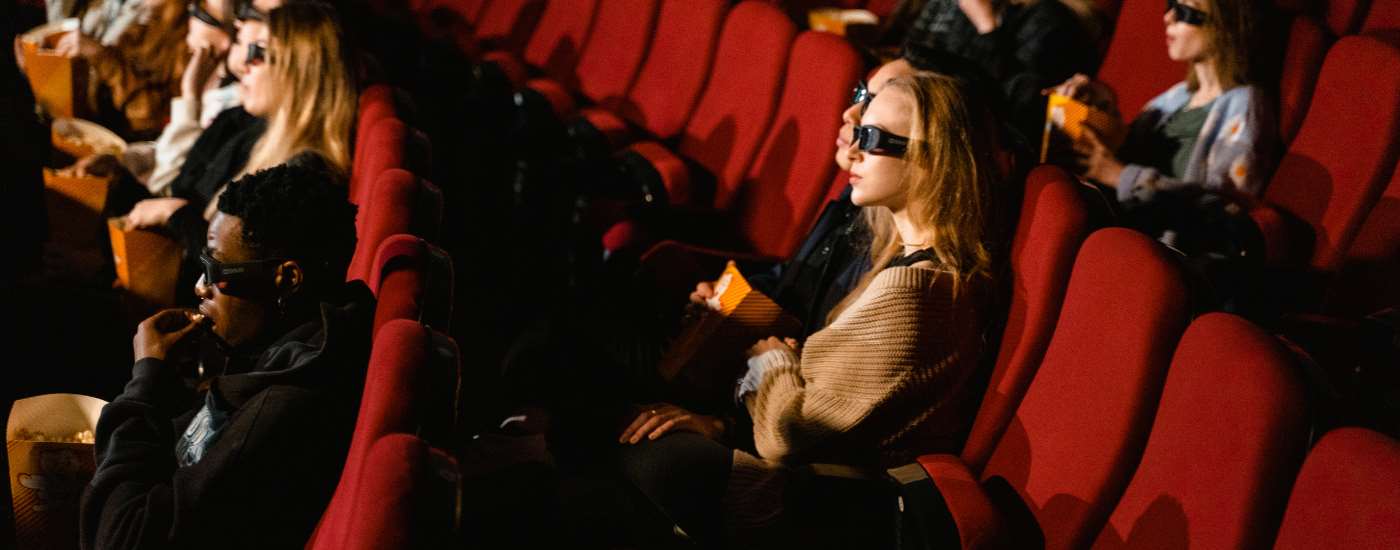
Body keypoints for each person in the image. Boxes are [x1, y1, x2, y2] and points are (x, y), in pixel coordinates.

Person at [615, 72, 1006, 545]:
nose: (854, 150)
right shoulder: (899, 257)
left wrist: (769, 359)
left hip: (828, 499)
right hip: (801, 457)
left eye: (874, 138)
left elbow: (789, 435)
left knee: (645, 446)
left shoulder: (917, 291)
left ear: (933, 159)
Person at [81, 163, 371, 549]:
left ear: (286, 279)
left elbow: (121, 540)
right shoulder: (284, 346)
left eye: (216, 268)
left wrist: (145, 383)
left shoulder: (282, 409)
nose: (200, 287)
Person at [113, 1, 357, 299]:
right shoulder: (264, 141)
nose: (245, 63)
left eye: (259, 52)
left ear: (299, 69)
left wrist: (176, 214)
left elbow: (240, 276)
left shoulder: (304, 172)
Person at [1051, 0, 1273, 253]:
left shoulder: (1245, 104)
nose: (1168, 18)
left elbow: (1223, 212)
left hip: (1168, 257)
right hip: (1118, 231)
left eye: (1184, 11)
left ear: (1225, 25)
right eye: (1169, 6)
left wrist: (1117, 175)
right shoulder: (1177, 97)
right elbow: (1126, 146)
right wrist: (1095, 101)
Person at [901, 0, 1100, 141]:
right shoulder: (994, 8)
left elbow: (1012, 98)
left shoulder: (1051, 18)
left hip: (988, 137)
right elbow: (921, 54)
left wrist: (986, 25)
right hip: (943, 118)